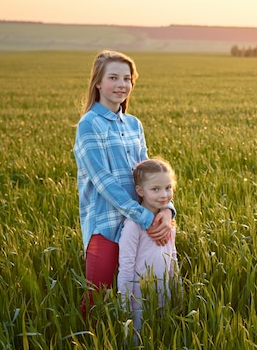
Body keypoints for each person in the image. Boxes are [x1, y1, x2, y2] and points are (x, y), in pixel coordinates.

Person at [73, 50, 175, 318]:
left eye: (127, 78)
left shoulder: (133, 124)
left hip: (141, 225)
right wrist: (145, 216)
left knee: (142, 292)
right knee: (97, 298)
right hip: (105, 225)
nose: (122, 85)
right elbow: (103, 182)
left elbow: (149, 175)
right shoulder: (89, 125)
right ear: (98, 82)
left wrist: (167, 210)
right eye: (113, 78)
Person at [117, 157, 179, 333]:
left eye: (168, 188)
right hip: (139, 300)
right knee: (140, 338)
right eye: (155, 189)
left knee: (162, 335)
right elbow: (126, 267)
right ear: (140, 191)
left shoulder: (168, 222)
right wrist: (124, 304)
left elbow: (172, 259)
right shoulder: (133, 226)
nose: (164, 195)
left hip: (164, 294)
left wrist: (178, 293)